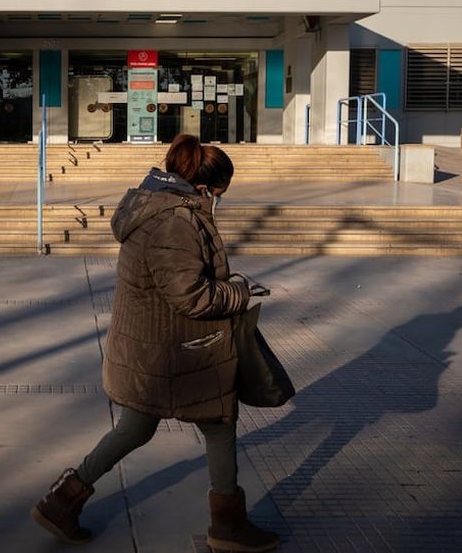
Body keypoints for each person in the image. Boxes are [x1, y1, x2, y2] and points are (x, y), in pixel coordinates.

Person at [31, 133, 280, 552]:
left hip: (152, 346)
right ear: (204, 188)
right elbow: (190, 296)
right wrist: (240, 291)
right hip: (177, 351)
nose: (218, 203)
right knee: (219, 424)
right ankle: (228, 527)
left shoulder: (156, 207)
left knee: (134, 427)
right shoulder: (175, 221)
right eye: (219, 194)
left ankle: (61, 501)